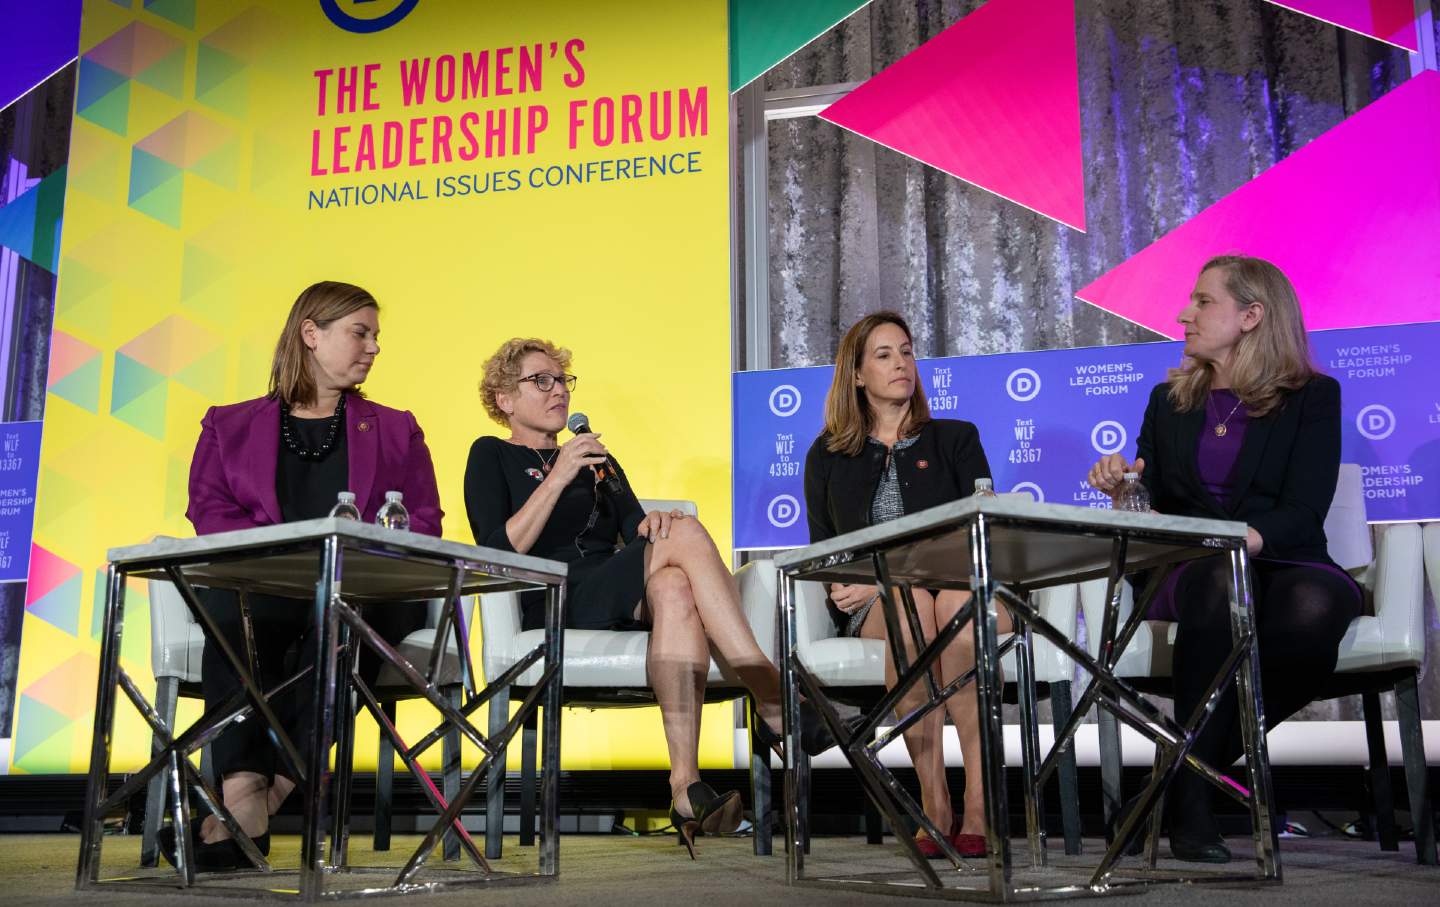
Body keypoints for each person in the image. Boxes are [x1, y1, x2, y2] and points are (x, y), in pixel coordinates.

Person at [463, 338, 832, 858]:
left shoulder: (599, 460)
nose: (557, 391)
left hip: (608, 586)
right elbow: (500, 551)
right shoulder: (491, 454)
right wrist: (559, 474)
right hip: (549, 595)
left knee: (674, 583)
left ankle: (684, 787)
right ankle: (767, 687)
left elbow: (638, 528)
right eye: (540, 380)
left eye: (562, 380)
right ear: (505, 398)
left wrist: (653, 522)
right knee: (683, 537)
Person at [1086, 254, 1361, 863]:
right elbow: (1152, 497)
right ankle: (1194, 809)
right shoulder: (1169, 401)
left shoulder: (1313, 397)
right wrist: (1124, 488)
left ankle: (1179, 779)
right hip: (1191, 567)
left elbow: (1303, 509)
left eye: (1203, 301)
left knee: (1316, 607)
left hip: (1282, 558)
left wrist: (1239, 541)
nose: (1185, 313)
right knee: (1219, 581)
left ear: (1251, 315)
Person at [171, 281, 443, 871]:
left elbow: (423, 519)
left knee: (340, 623)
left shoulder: (396, 428)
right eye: (359, 333)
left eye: (375, 336)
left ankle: (262, 797)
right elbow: (211, 515)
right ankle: (249, 793)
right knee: (235, 620)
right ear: (310, 334)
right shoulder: (228, 425)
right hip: (268, 586)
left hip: (368, 591)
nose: (372, 347)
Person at [803, 311, 998, 859]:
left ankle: (980, 802)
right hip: (883, 603)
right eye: (884, 355)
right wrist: (870, 585)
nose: (901, 364)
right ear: (858, 375)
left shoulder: (957, 439)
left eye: (907, 351)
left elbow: (976, 532)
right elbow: (826, 552)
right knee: (910, 606)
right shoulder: (827, 455)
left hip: (963, 589)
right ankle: (935, 799)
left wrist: (888, 575)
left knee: (955, 604)